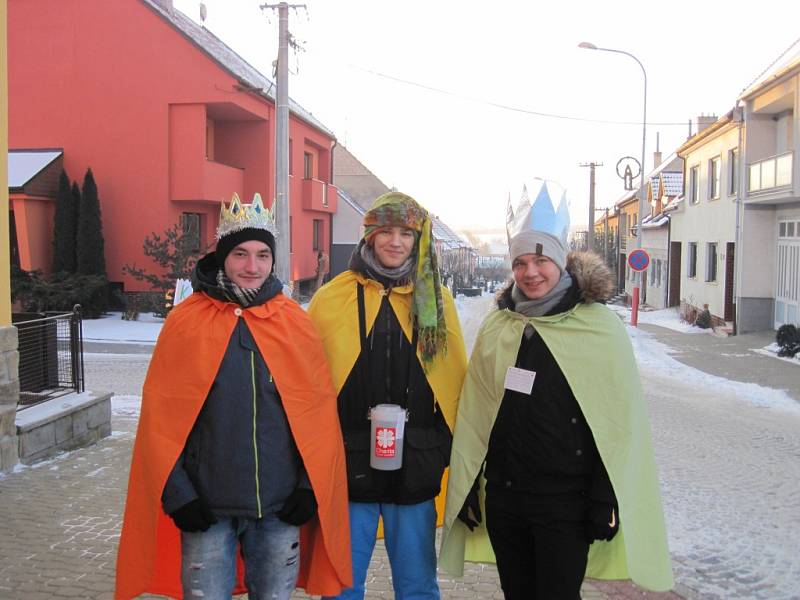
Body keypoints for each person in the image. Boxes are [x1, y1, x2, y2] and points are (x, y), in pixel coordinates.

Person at [439, 181, 673, 599]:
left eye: (541, 260)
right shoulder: (498, 325)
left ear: (562, 261)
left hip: (566, 503)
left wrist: (604, 498)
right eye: (521, 262)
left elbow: (617, 422)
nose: (531, 272)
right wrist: (472, 485)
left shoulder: (599, 327)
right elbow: (477, 414)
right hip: (507, 499)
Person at [115, 193, 351, 599]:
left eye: (262, 254)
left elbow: (317, 417)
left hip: (279, 508)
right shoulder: (186, 322)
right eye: (240, 253)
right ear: (223, 257)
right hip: (206, 508)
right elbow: (160, 418)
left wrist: (309, 489)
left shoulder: (294, 322)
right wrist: (178, 495)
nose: (252, 266)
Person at [308, 191, 468, 600]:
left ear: (418, 241)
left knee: (417, 585)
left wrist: (441, 450)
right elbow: (307, 383)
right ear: (369, 238)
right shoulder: (332, 297)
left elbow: (454, 383)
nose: (396, 242)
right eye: (386, 232)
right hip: (349, 462)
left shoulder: (435, 300)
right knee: (342, 584)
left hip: (415, 463)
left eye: (406, 234)